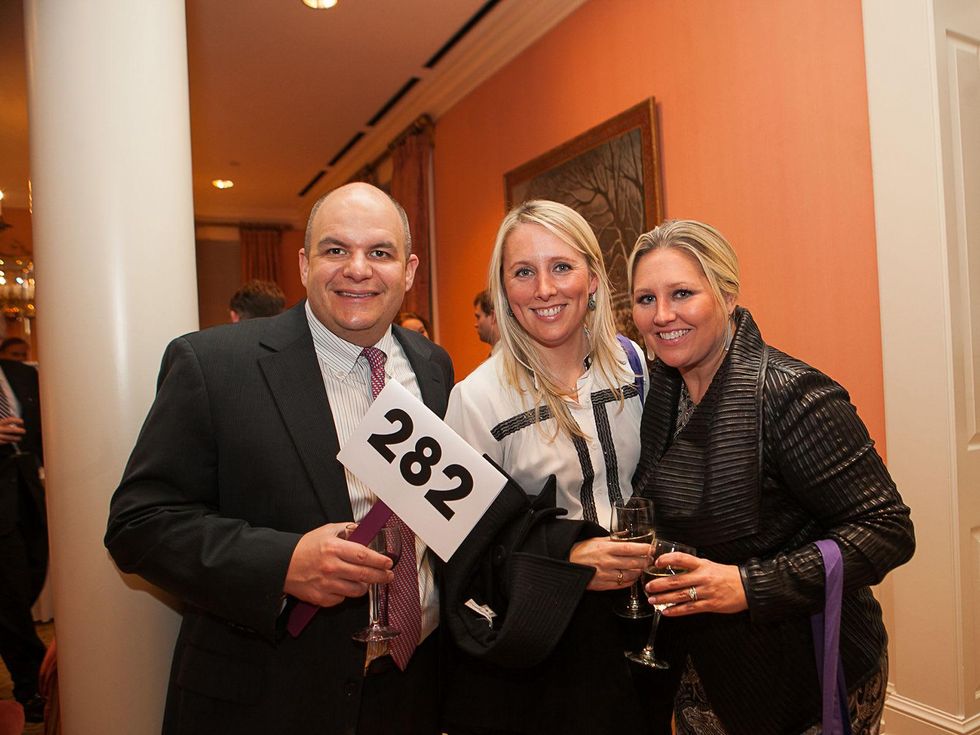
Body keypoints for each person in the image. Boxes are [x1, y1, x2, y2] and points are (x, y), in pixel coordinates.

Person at [105, 183, 454, 735]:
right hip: (271, 694)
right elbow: (138, 524)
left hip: (411, 685)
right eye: (335, 250)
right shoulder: (214, 365)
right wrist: (282, 563)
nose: (357, 269)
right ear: (303, 262)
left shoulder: (432, 366)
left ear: (409, 271)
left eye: (380, 252)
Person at [629, 220, 915, 735]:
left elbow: (888, 529)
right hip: (705, 672)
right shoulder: (664, 393)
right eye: (645, 299)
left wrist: (748, 585)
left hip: (804, 681)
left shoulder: (792, 396)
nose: (662, 315)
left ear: (728, 294)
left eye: (682, 294)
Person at [441, 200, 651, 734]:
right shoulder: (478, 398)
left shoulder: (633, 363)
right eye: (523, 272)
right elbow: (463, 544)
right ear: (504, 291)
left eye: (561, 266)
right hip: (545, 635)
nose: (545, 289)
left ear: (594, 278)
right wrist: (568, 557)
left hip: (644, 618)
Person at [0, 357, 46, 723]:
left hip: (29, 494)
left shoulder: (20, 373)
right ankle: (30, 685)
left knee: (32, 575)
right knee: (10, 596)